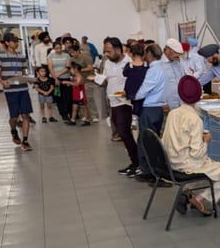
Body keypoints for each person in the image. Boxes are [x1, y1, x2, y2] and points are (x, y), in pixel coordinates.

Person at [162, 75, 220, 216]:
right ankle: (198, 199)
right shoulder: (195, 120)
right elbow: (197, 154)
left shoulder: (173, 113)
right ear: (199, 96)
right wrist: (206, 141)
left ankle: (187, 192)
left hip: (170, 162)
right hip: (186, 164)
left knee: (211, 167)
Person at [134, 43, 170, 186]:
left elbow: (145, 88)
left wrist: (133, 96)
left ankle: (151, 172)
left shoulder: (153, 70)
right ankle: (150, 171)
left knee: (147, 142)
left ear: (149, 54)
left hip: (150, 108)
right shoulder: (163, 68)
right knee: (153, 140)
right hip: (158, 107)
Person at [102, 37, 138, 177]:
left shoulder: (129, 62)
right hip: (112, 102)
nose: (107, 54)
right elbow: (107, 80)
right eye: (105, 51)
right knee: (122, 133)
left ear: (118, 49)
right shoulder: (107, 63)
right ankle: (135, 161)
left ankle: (136, 162)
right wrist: (100, 80)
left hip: (124, 102)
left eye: (109, 51)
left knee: (124, 132)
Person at [0, 33, 33, 151]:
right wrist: (2, 82)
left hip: (23, 89)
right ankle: (13, 130)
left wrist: (29, 79)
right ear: (7, 43)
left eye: (17, 41)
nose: (16, 43)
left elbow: (23, 73)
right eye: (14, 41)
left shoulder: (21, 56)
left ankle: (25, 141)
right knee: (14, 117)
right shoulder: (1, 56)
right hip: (11, 90)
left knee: (25, 115)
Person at [68, 43, 98, 122]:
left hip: (87, 80)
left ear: (78, 51)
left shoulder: (85, 57)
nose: (72, 54)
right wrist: (72, 72)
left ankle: (94, 115)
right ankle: (85, 115)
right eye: (70, 53)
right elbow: (71, 68)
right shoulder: (72, 59)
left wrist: (79, 70)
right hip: (78, 82)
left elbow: (90, 67)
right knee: (81, 100)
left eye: (73, 52)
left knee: (89, 98)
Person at [47, 41, 72, 120]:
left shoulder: (66, 55)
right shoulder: (50, 56)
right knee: (59, 97)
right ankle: (63, 113)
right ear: (54, 48)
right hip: (54, 79)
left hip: (65, 77)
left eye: (60, 48)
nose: (59, 50)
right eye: (57, 48)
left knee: (68, 96)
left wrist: (59, 74)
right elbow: (50, 68)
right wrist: (55, 78)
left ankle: (69, 111)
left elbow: (68, 67)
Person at [161, 38, 185, 110]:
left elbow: (182, 80)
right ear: (168, 50)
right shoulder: (159, 64)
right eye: (176, 52)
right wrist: (162, 103)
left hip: (180, 104)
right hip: (167, 106)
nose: (178, 55)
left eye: (179, 54)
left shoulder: (178, 62)